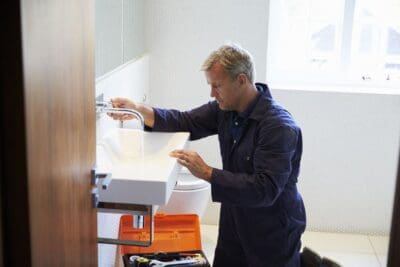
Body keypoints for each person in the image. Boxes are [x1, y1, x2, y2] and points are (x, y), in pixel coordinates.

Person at [109, 44, 306, 267]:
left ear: (241, 80)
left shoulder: (278, 127)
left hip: (273, 227)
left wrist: (207, 172)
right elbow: (185, 121)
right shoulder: (226, 111)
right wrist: (138, 110)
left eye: (217, 85)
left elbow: (265, 189)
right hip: (235, 217)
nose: (212, 93)